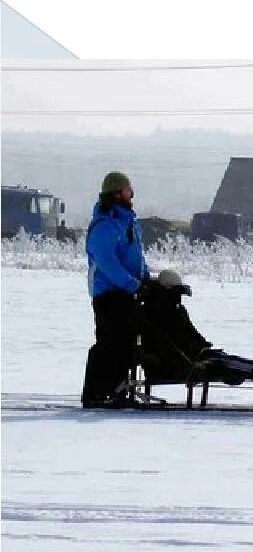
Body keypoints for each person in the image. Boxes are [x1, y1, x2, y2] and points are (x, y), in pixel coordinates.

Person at [139, 269, 253, 386]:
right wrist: (194, 358)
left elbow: (190, 333)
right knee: (218, 363)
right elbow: (167, 343)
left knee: (221, 357)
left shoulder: (173, 309)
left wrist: (202, 348)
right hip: (171, 365)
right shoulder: (157, 312)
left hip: (188, 356)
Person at [81, 171, 150, 408]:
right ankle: (96, 393)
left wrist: (146, 279)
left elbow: (135, 256)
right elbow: (106, 260)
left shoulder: (128, 222)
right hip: (108, 293)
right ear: (119, 193)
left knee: (126, 342)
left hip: (126, 292)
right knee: (109, 343)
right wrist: (131, 283)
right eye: (129, 190)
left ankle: (117, 388)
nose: (132, 194)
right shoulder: (105, 224)